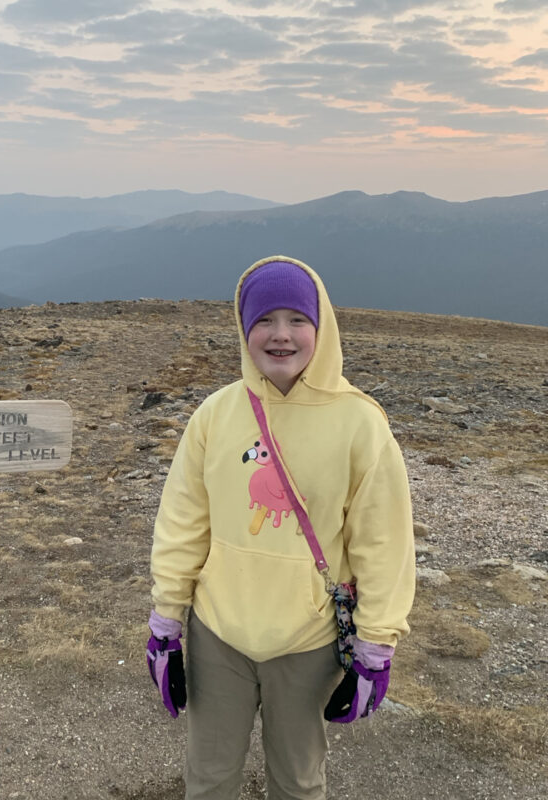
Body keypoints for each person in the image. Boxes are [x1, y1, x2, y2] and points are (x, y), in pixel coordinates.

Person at [146, 257, 416, 800]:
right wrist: (166, 618)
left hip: (307, 640)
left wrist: (375, 643)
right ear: (244, 329)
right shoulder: (216, 415)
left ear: (322, 326)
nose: (280, 335)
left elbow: (382, 542)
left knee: (297, 780)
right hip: (219, 632)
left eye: (297, 318)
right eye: (264, 319)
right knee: (208, 776)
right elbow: (183, 520)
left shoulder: (360, 423)